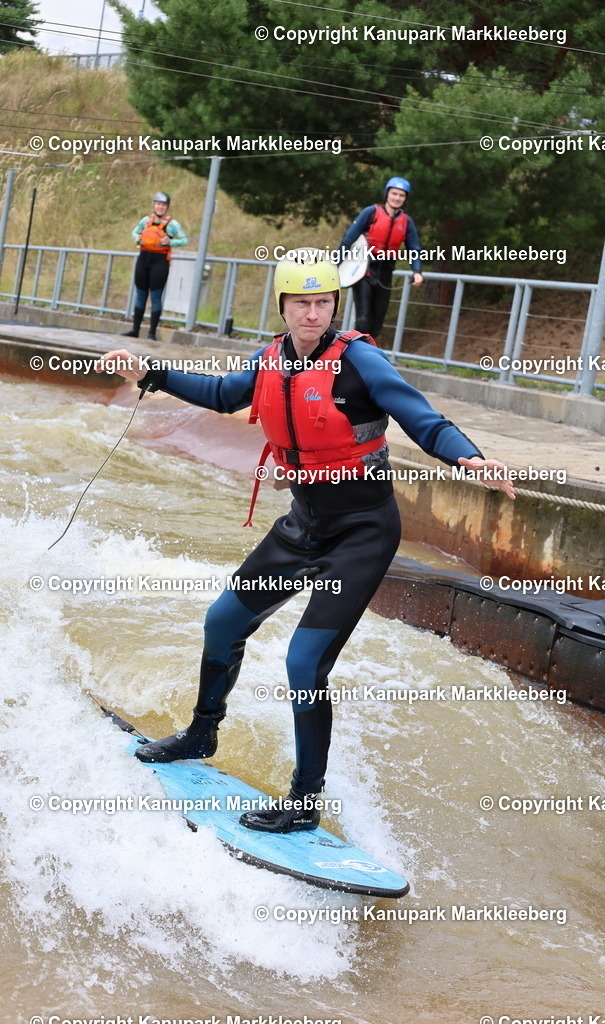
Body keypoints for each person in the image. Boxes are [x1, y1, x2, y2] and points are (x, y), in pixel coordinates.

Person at [98, 250, 515, 834]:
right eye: (301, 303)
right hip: (302, 528)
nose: (312, 314)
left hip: (362, 535)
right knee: (221, 623)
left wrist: (469, 456)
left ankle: (303, 800)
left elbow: (421, 416)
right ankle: (201, 733)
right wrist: (151, 374)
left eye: (322, 303)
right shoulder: (271, 359)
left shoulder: (362, 361)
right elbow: (221, 393)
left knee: (303, 663)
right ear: (284, 307)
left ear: (333, 306)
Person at [339, 176, 424, 339]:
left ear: (405, 198)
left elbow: (414, 248)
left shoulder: (407, 222)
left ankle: (363, 355)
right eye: (394, 193)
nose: (397, 198)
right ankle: (353, 357)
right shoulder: (370, 213)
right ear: (387, 194)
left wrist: (417, 271)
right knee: (363, 319)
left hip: (386, 274)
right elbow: (348, 240)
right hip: (364, 271)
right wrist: (336, 266)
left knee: (376, 325)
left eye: (401, 195)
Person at [123, 191, 188, 341]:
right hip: (143, 259)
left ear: (167, 207)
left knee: (156, 297)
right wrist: (137, 238)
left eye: (163, 205)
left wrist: (171, 242)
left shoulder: (172, 224)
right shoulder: (146, 220)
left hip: (160, 262)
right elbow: (134, 232)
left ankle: (152, 333)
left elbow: (184, 240)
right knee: (140, 295)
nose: (160, 207)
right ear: (153, 205)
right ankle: (135, 330)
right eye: (158, 204)